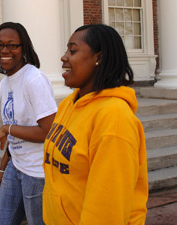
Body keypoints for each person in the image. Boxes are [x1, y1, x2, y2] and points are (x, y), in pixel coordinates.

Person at [42, 24, 148, 225]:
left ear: (98, 58)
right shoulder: (68, 104)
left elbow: (107, 208)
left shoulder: (114, 118)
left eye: (73, 51)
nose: (64, 57)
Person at [0, 22, 58, 225]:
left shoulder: (34, 79)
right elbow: (15, 130)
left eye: (12, 45)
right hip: (16, 165)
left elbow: (48, 131)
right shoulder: (5, 81)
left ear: (23, 48)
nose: (4, 50)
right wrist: (2, 169)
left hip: (38, 172)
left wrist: (6, 128)